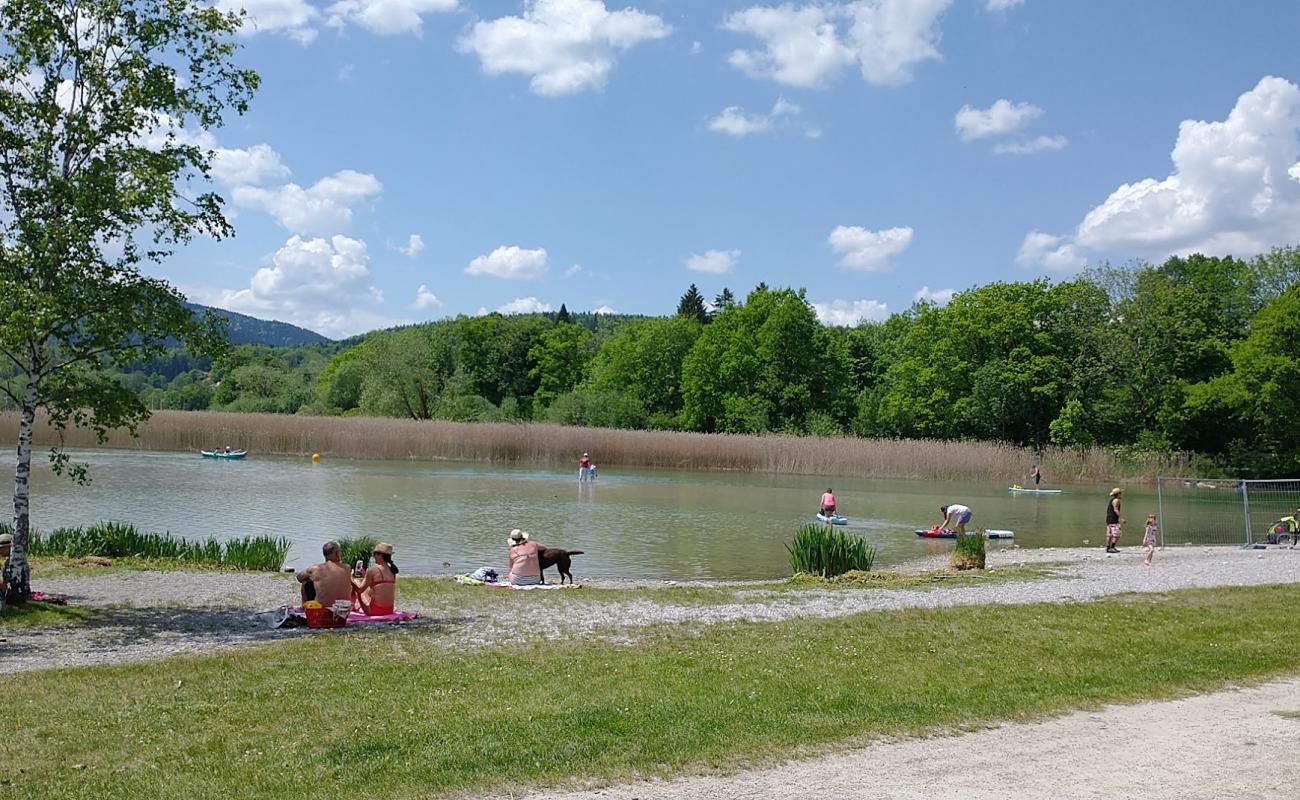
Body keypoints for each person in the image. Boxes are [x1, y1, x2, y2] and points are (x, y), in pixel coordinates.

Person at [296, 540, 355, 607]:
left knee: (305, 583)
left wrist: (312, 577)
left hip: (322, 610)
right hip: (344, 610)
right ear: (337, 553)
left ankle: (304, 608)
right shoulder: (347, 568)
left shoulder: (316, 569)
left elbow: (299, 577)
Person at [354, 541, 398, 615]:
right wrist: (366, 576)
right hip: (389, 610)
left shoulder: (373, 570)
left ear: (380, 555)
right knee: (368, 591)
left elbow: (359, 590)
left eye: (374, 554)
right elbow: (381, 587)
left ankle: (351, 607)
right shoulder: (392, 571)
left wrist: (350, 578)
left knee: (356, 582)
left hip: (375, 611)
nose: (373, 556)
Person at [1105, 488, 1125, 553]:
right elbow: (1116, 509)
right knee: (1117, 534)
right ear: (1118, 494)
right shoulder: (1116, 500)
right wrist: (1122, 518)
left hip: (1109, 519)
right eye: (1120, 493)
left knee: (1109, 534)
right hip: (1114, 519)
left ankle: (1108, 548)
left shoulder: (1112, 500)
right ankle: (1112, 547)